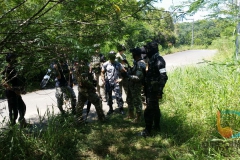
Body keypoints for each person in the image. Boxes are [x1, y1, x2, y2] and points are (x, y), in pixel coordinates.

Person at [140, 41, 168, 137]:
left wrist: (159, 91)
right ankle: (156, 127)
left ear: (152, 50)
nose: (146, 51)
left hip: (154, 90)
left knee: (149, 110)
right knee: (155, 109)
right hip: (150, 89)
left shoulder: (159, 60)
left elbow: (163, 76)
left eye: (148, 49)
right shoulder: (152, 59)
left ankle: (147, 131)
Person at [1, 53, 29, 127]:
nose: (15, 59)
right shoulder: (6, 69)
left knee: (22, 107)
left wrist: (22, 90)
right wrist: (13, 90)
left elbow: (18, 80)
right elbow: (4, 83)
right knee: (13, 111)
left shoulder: (15, 69)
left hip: (17, 92)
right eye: (14, 58)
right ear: (10, 59)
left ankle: (22, 122)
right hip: (10, 93)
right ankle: (12, 128)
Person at [101, 51, 126, 115]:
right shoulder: (105, 64)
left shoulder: (118, 64)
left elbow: (123, 71)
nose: (112, 59)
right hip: (108, 82)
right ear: (109, 57)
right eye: (111, 57)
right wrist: (103, 79)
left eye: (113, 57)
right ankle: (110, 109)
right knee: (109, 96)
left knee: (118, 96)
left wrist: (121, 78)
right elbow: (102, 72)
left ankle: (121, 108)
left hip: (116, 82)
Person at [125, 47, 146, 123]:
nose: (132, 55)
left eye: (133, 53)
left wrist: (127, 76)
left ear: (136, 54)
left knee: (137, 101)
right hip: (131, 85)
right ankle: (131, 114)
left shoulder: (140, 63)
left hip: (136, 86)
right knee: (129, 99)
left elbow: (138, 78)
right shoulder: (136, 62)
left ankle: (138, 117)